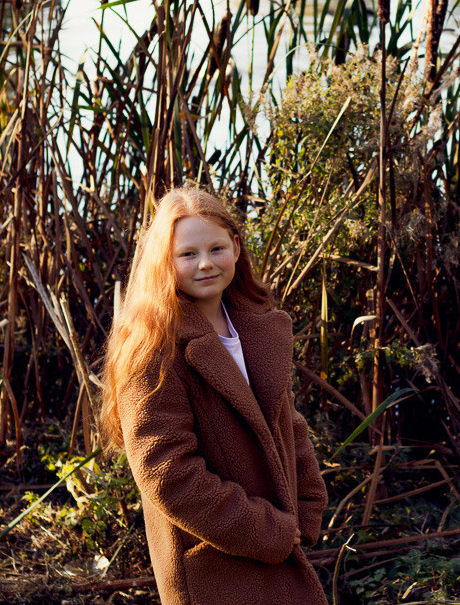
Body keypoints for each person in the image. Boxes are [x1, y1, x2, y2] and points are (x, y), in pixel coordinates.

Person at [100, 187, 329, 604]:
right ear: (164, 262)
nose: (205, 263)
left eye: (216, 248)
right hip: (214, 563)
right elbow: (167, 473)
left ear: (236, 248)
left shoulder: (254, 326)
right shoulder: (153, 347)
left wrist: (309, 503)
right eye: (187, 254)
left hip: (276, 540)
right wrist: (267, 530)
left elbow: (286, 422)